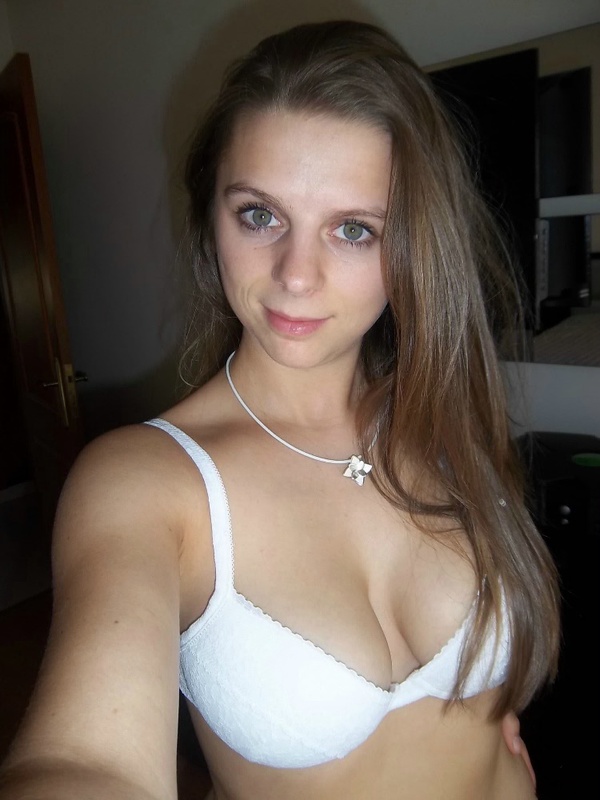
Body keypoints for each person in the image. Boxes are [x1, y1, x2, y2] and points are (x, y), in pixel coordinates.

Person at [0, 19, 559, 800]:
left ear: (413, 244)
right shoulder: (148, 484)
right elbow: (84, 761)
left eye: (354, 230)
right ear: (212, 216)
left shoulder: (439, 417)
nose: (297, 275)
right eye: (260, 215)